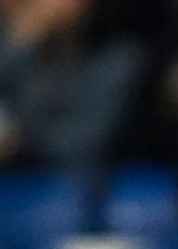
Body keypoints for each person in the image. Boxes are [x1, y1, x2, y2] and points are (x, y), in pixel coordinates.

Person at [0, 0, 145, 170]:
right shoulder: (22, 47)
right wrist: (19, 42)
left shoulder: (118, 58)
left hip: (68, 183)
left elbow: (85, 141)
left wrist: (20, 143)